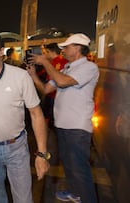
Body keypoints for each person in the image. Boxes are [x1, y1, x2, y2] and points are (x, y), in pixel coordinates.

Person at [0, 33, 49, 203]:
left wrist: (41, 154)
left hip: (16, 149)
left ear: (0, 52)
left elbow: (36, 114)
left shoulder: (20, 77)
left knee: (23, 198)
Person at [26, 33, 99, 203]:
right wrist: (33, 75)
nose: (63, 50)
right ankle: (75, 192)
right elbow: (45, 89)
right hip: (63, 125)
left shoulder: (89, 67)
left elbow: (63, 82)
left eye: (66, 47)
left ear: (78, 48)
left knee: (80, 167)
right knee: (68, 163)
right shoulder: (67, 68)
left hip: (77, 126)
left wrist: (45, 62)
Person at [38, 43, 68, 127]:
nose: (45, 55)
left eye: (46, 52)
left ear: (51, 52)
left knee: (51, 120)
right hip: (50, 94)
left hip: (54, 96)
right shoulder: (52, 62)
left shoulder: (61, 62)